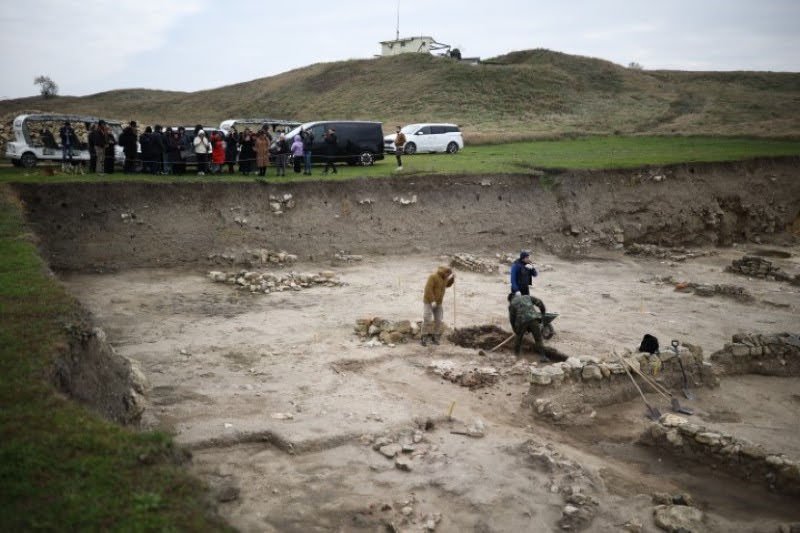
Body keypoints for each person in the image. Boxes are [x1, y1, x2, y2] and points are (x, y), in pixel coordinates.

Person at [421, 266, 455, 346]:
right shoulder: (433, 277)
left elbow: (447, 285)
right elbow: (428, 289)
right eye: (448, 275)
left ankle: (435, 337)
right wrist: (432, 301)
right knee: (427, 319)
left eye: (449, 275)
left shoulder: (444, 278)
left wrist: (452, 279)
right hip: (429, 302)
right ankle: (424, 337)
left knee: (439, 320)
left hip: (439, 303)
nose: (448, 276)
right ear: (444, 272)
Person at [508, 293, 547, 360]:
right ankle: (543, 356)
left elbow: (512, 319)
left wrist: (515, 330)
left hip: (521, 322)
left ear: (510, 299)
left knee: (518, 339)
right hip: (534, 319)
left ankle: (516, 355)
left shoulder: (511, 304)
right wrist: (543, 313)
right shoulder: (526, 297)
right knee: (538, 339)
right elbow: (539, 302)